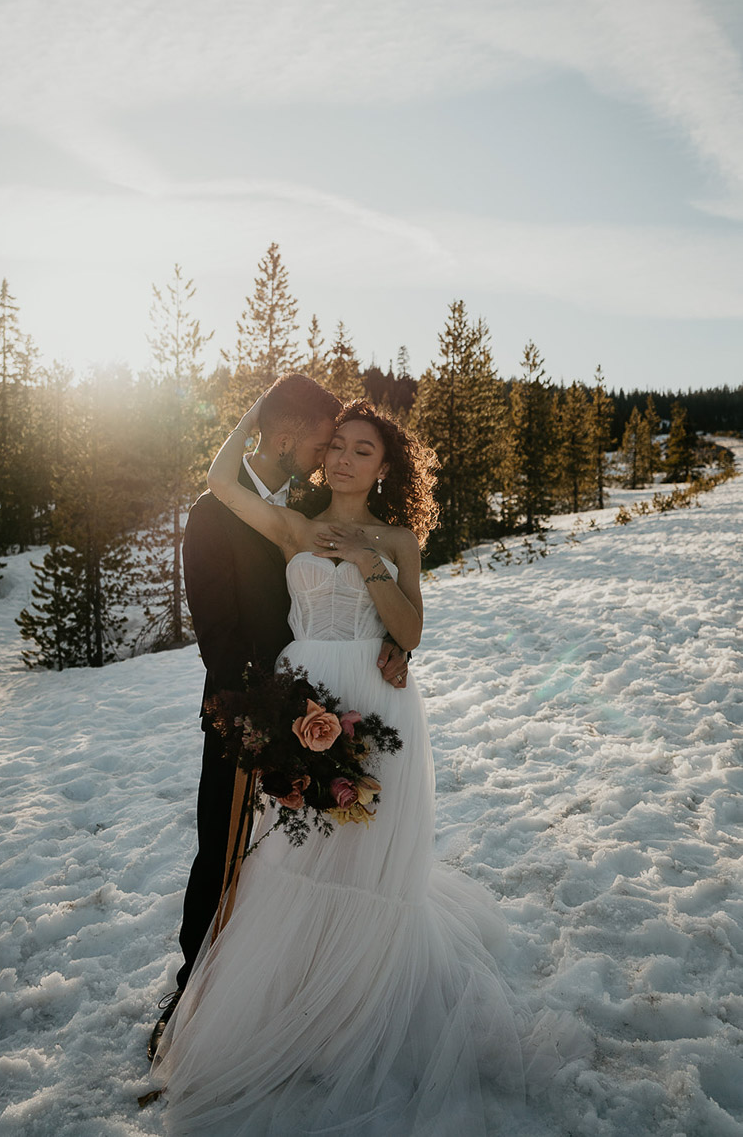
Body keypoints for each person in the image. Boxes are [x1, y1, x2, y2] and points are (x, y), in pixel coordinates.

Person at [150, 393, 577, 1136]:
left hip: (377, 703)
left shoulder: (400, 538)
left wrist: (369, 565)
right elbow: (220, 482)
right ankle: (283, 1002)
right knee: (293, 854)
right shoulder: (297, 526)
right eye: (337, 443)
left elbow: (409, 628)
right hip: (302, 693)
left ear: (384, 468)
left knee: (364, 854)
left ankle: (356, 1011)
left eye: (362, 449)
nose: (343, 456)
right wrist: (257, 406)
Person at [148, 375, 408, 1061]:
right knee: (225, 853)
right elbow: (220, 635)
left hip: (330, 703)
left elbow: (362, 586)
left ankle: (301, 991)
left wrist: (389, 642)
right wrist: (271, 713)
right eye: (324, 441)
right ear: (287, 434)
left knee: (303, 855)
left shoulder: (306, 504)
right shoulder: (214, 514)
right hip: (247, 709)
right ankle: (192, 999)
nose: (330, 456)